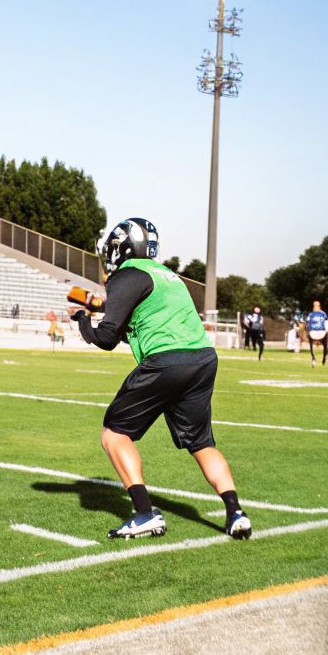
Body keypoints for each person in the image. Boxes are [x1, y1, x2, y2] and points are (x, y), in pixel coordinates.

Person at [72, 217, 250, 541]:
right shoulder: (169, 276)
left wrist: (84, 322)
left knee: (114, 434)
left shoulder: (127, 275)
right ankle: (236, 512)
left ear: (123, 247)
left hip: (167, 362)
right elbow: (138, 329)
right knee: (202, 442)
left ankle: (144, 513)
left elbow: (108, 337)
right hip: (202, 359)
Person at [304, 299, 328, 366]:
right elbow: (307, 322)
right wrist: (307, 329)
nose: (315, 307)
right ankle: (313, 358)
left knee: (325, 344)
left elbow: (327, 322)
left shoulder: (323, 314)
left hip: (321, 331)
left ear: (319, 306)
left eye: (317, 305)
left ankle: (324, 357)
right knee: (310, 343)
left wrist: (326, 330)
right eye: (314, 305)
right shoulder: (311, 314)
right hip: (313, 331)